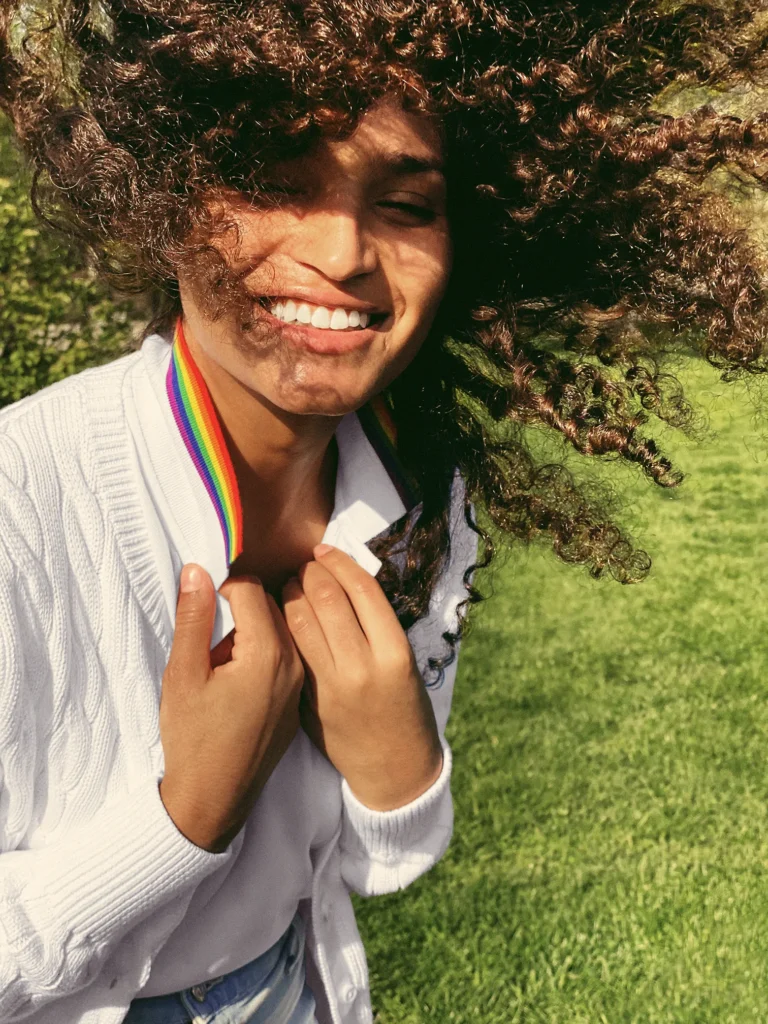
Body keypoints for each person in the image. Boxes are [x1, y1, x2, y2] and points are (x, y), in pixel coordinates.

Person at [1, 2, 768, 1022]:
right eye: (273, 183)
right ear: (161, 194)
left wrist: (398, 761)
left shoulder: (419, 491)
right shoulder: (21, 511)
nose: (346, 249)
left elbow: (377, 863)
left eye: (406, 203)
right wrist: (180, 820)